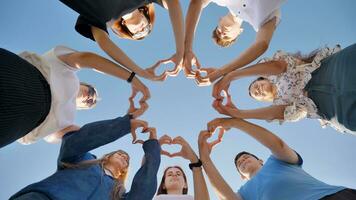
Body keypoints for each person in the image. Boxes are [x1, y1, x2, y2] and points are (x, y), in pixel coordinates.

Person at [0, 46, 150, 148]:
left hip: (18, 122)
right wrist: (132, 78)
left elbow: (85, 136)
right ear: (84, 84)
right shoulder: (68, 72)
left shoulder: (68, 119)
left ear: (83, 108)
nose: (90, 98)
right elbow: (86, 59)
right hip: (18, 75)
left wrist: (128, 119)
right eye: (91, 92)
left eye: (91, 102)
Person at [10, 109, 165, 200]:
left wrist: (153, 148)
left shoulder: (119, 193)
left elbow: (143, 193)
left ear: (125, 169)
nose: (124, 156)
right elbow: (77, 140)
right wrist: (124, 124)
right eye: (120, 153)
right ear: (108, 155)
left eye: (127, 159)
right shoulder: (82, 158)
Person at [198, 117, 356, 200]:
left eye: (246, 157)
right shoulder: (244, 193)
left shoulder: (277, 161)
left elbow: (278, 145)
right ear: (240, 175)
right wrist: (204, 157)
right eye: (239, 164)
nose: (243, 160)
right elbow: (226, 197)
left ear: (260, 160)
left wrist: (235, 122)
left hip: (331, 197)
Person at [212, 44, 356, 134]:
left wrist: (231, 76)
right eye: (257, 94)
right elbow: (277, 114)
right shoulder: (279, 106)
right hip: (331, 107)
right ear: (264, 100)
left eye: (256, 86)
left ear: (263, 78)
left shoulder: (278, 72)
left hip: (331, 71)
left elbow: (277, 66)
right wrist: (237, 113)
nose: (258, 90)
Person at [59, 0, 185, 80]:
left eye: (137, 34)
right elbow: (173, 3)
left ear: (127, 30)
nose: (142, 31)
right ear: (145, 14)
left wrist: (140, 72)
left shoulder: (103, 21)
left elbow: (104, 43)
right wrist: (181, 51)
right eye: (147, 28)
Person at [184, 0, 286, 83]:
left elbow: (197, 2)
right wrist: (220, 72)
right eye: (227, 37)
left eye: (218, 32)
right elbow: (261, 45)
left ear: (220, 19)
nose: (223, 34)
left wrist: (187, 49)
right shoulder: (260, 21)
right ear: (239, 33)